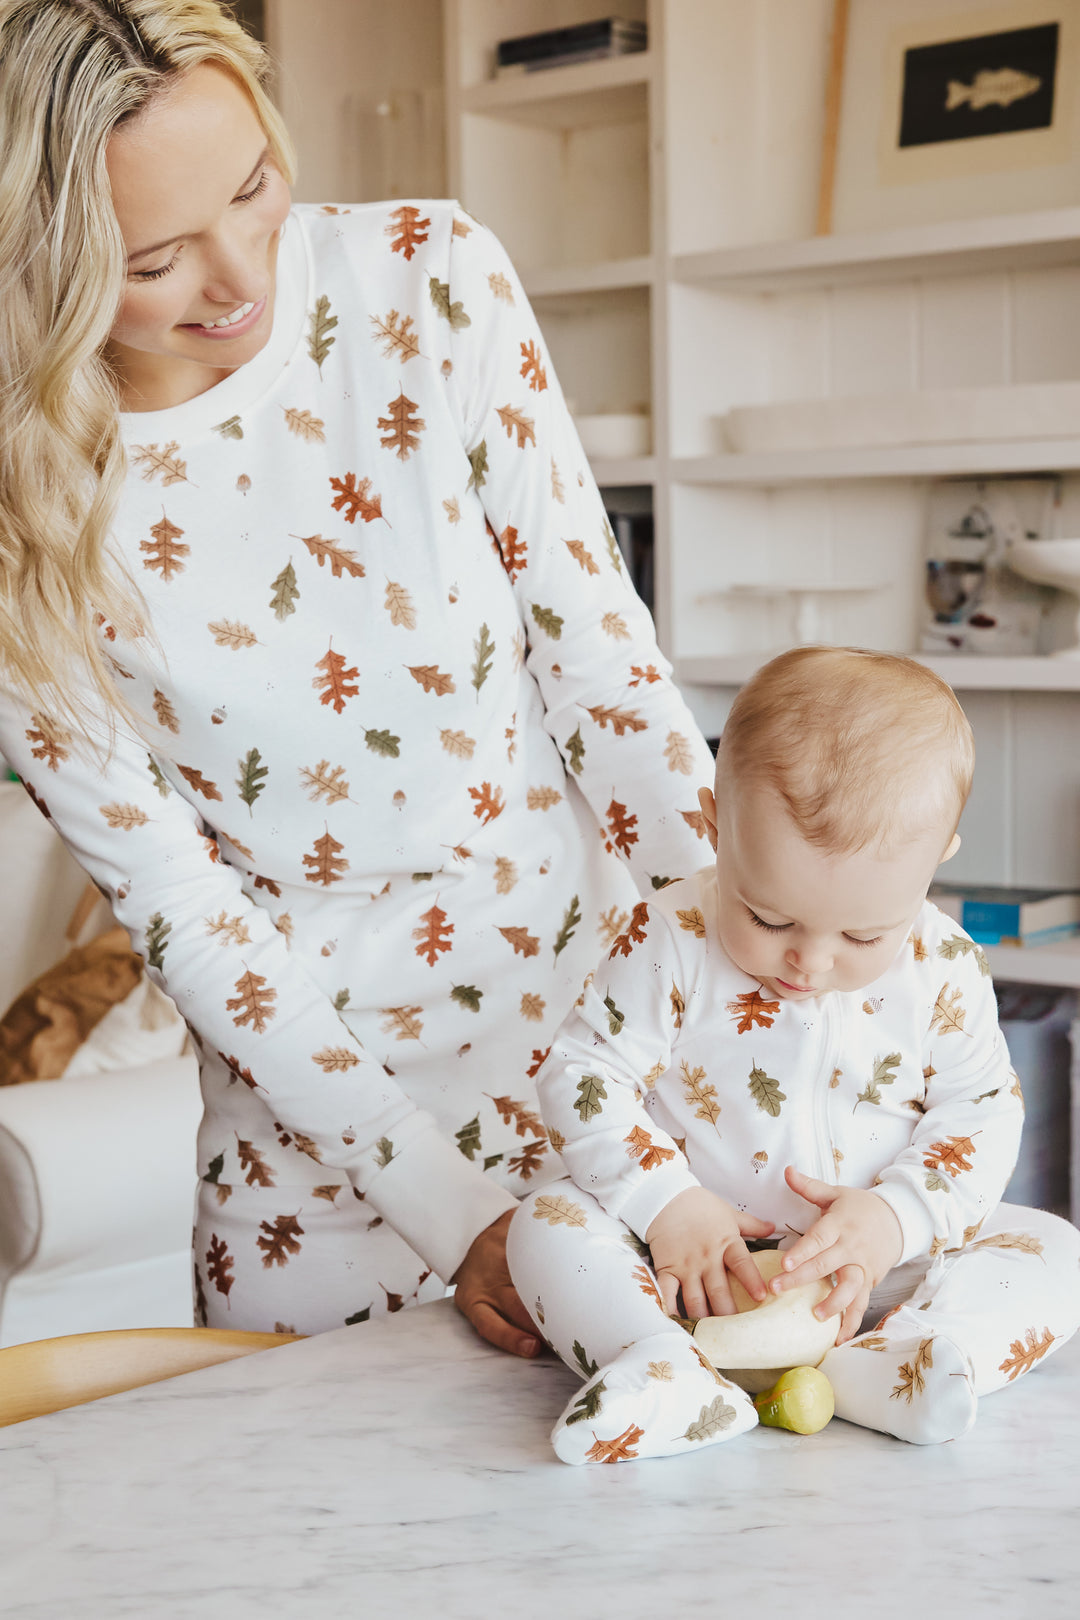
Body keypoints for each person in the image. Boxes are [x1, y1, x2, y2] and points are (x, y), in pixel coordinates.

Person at [0, 0, 716, 1349]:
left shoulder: (427, 277)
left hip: (602, 1060)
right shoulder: (23, 506)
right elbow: (177, 906)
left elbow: (603, 668)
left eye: (255, 185)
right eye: (155, 259)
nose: (239, 279)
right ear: (36, 276)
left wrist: (741, 988)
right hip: (312, 1152)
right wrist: (448, 1207)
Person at [508, 646, 1080, 1462]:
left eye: (862, 935)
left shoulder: (944, 967)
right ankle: (662, 1368)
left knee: (1057, 1249)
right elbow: (582, 1074)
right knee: (545, 1224)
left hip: (883, 1282)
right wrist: (667, 1204)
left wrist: (898, 1217)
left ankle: (903, 1363)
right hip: (689, 1274)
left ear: (933, 865)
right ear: (716, 825)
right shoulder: (670, 939)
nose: (807, 964)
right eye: (769, 919)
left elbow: (983, 1112)